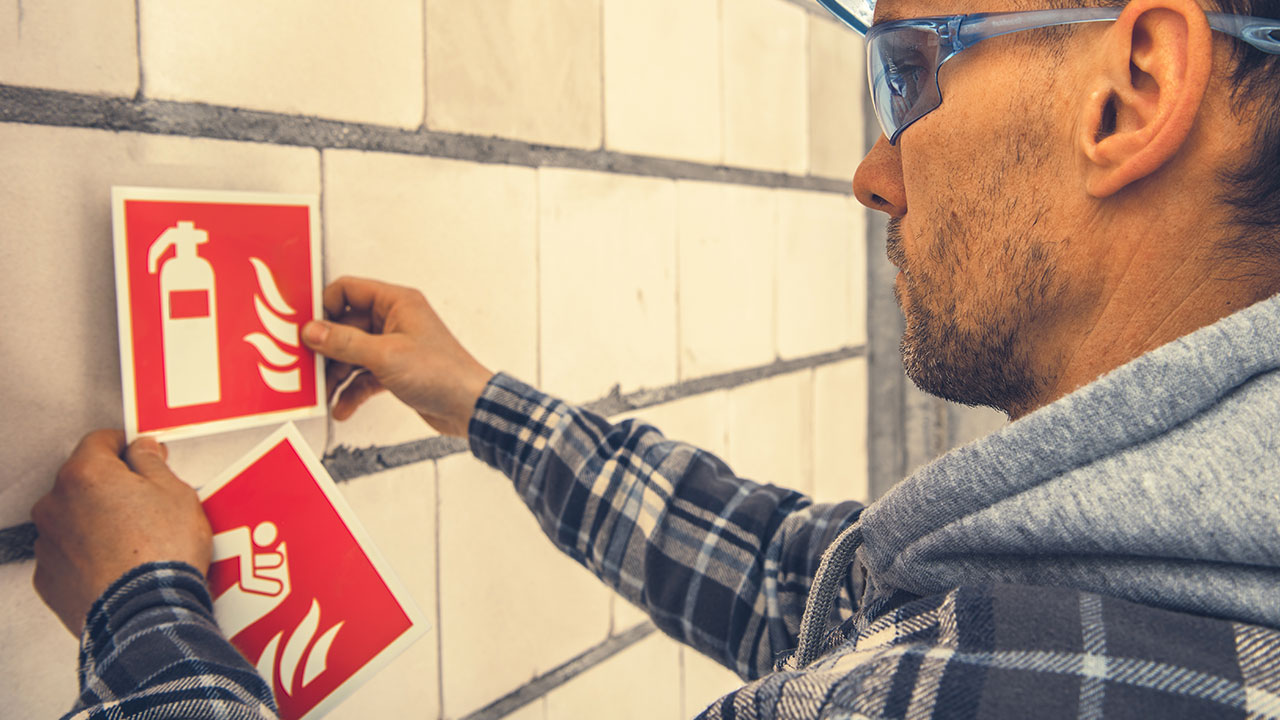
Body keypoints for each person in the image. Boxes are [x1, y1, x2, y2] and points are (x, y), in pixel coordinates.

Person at [31, 0, 1280, 717]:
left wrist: (140, 614)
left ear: (1128, 90)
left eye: (910, 72)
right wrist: (471, 397)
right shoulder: (1156, 572)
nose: (871, 174)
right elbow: (808, 588)